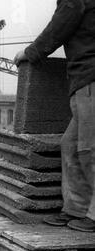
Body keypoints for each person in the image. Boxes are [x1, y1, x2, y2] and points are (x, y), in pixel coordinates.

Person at [14, 0, 95, 232]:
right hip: (83, 79)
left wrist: (30, 52)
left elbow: (60, 25)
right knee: (70, 145)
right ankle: (76, 209)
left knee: (90, 149)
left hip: (91, 77)